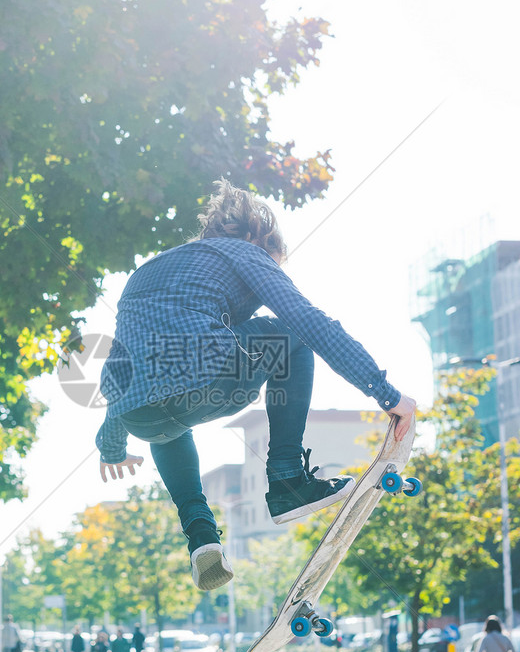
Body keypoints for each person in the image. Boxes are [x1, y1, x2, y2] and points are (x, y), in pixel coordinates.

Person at [96, 180, 416, 590]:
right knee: (292, 334)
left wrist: (111, 446)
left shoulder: (146, 275)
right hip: (208, 373)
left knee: (165, 419)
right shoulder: (244, 251)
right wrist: (386, 394)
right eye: (275, 267)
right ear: (256, 241)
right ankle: (287, 482)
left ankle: (202, 538)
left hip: (136, 413)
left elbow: (122, 370)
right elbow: (308, 320)